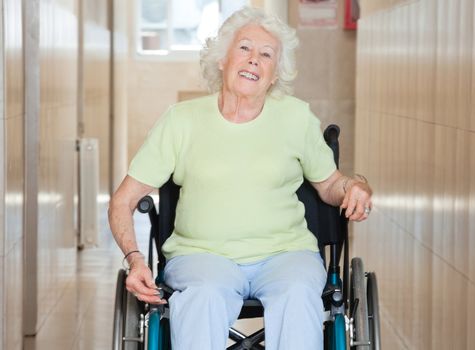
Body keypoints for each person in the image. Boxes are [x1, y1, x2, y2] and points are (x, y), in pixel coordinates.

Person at [108, 7, 372, 350]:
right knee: (203, 295)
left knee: (297, 291)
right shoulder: (181, 121)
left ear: (275, 74)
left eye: (266, 55)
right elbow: (122, 200)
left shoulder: (295, 117)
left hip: (286, 254)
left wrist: (354, 187)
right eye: (244, 48)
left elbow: (329, 185)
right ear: (221, 58)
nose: (254, 61)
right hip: (201, 256)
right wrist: (135, 259)